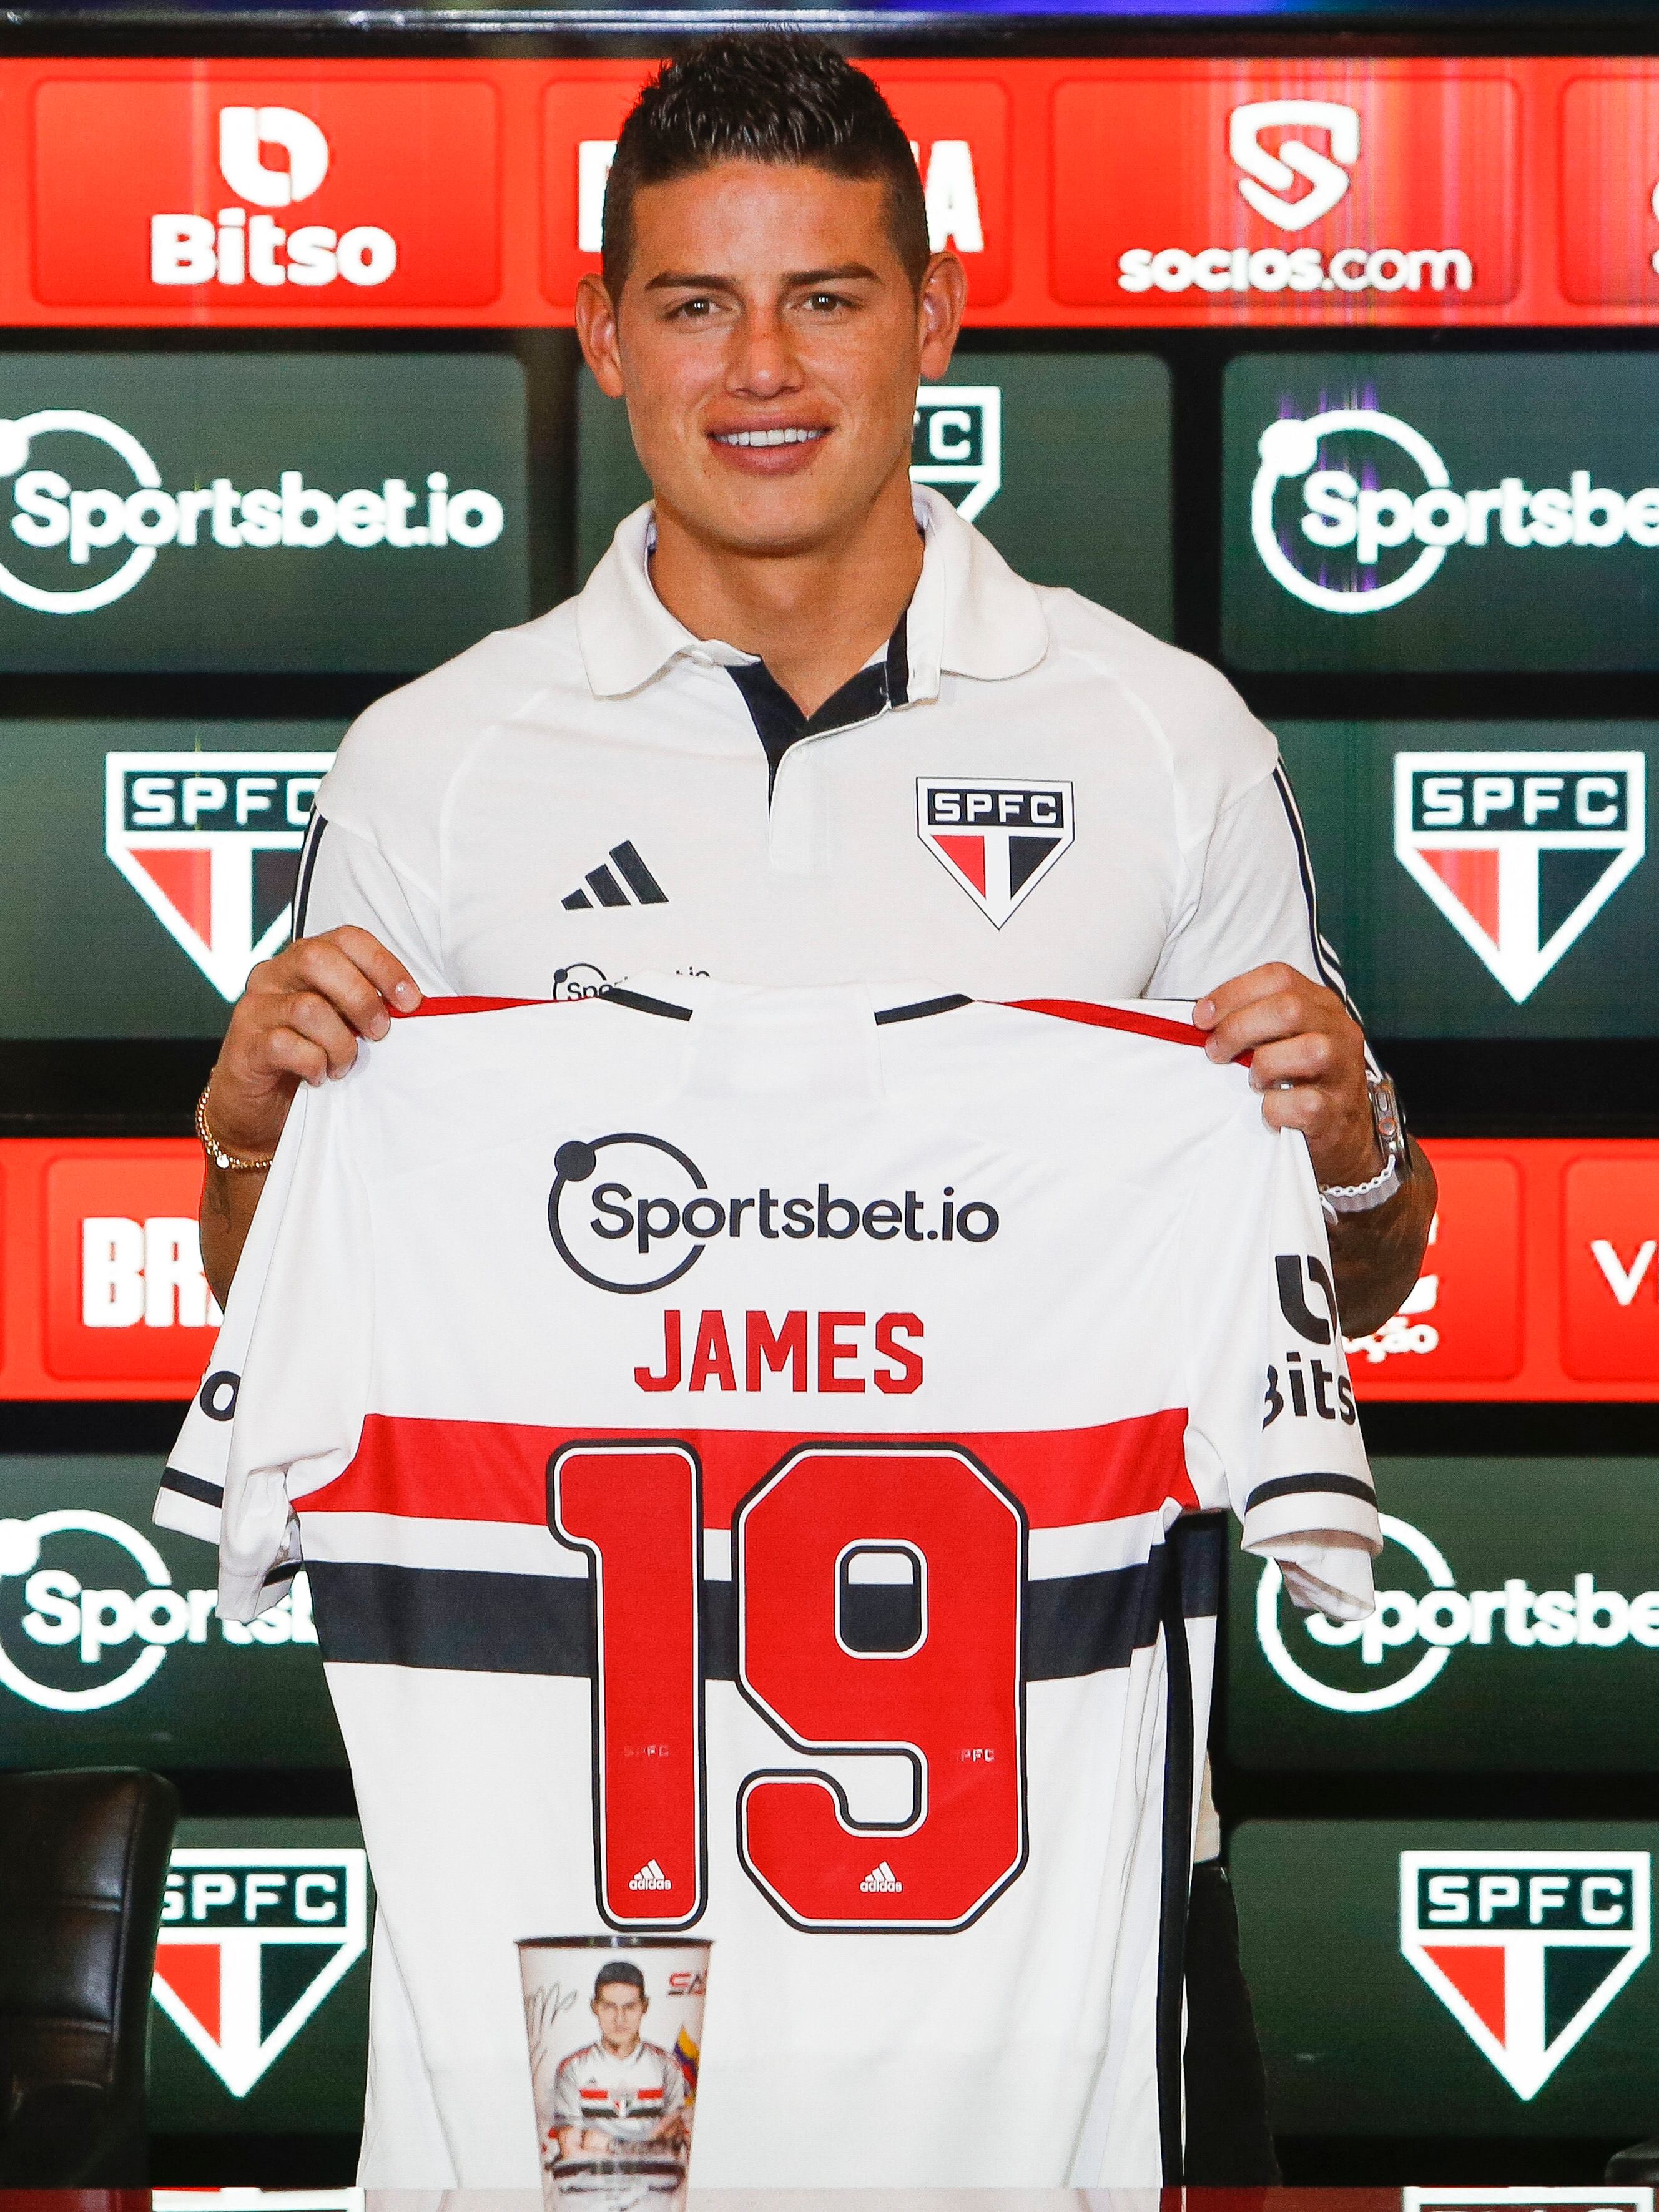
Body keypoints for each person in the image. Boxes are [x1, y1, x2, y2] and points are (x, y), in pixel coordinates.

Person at [190, 32, 1434, 2179]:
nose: (759, 367)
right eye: (695, 302)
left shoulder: (1158, 735)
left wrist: (1348, 1147)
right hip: (582, 1889)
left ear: (933, 315)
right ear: (603, 335)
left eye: (825, 296)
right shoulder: (437, 760)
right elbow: (291, 1292)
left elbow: (1352, 1282)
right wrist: (250, 1140)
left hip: (1056, 1887)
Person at [551, 1963, 687, 2160]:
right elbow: (571, 2153)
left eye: (630, 2007)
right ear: (595, 2007)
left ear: (645, 2006)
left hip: (653, 2178)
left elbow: (672, 2149)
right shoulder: (573, 2068)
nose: (619, 2019)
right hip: (591, 2178)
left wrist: (610, 2145)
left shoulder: (667, 2066)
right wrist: (645, 2146)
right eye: (609, 2007)